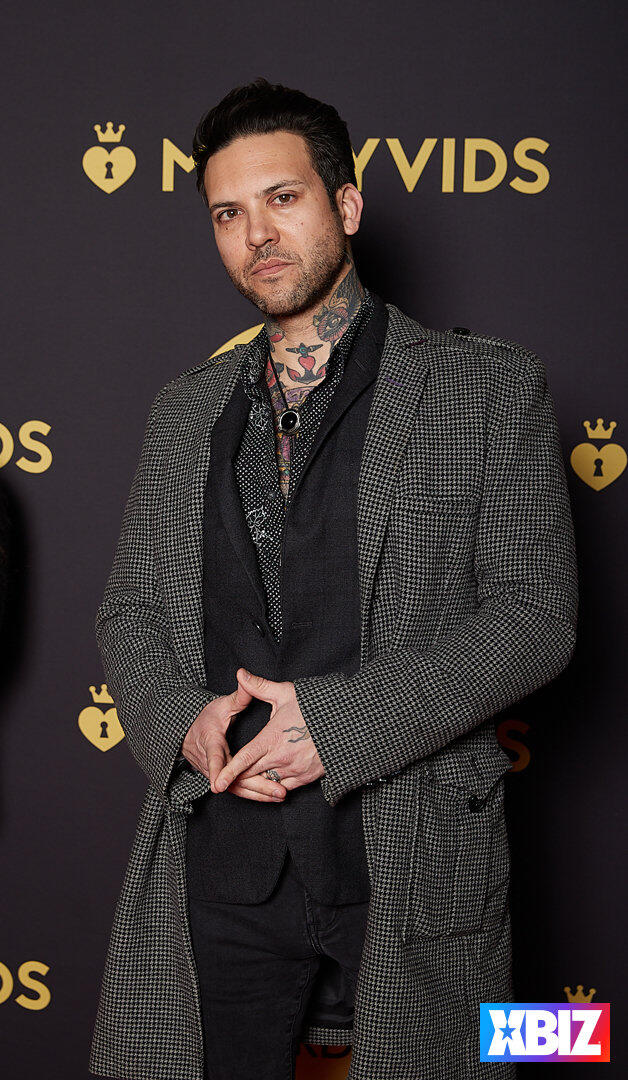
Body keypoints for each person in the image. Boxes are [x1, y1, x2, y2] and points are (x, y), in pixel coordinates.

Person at [88, 78, 578, 1080]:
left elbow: (537, 616)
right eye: (228, 214)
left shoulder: (487, 387)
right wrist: (181, 724)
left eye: (283, 198)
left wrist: (341, 725)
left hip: (407, 851)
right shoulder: (181, 410)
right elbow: (129, 609)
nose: (257, 234)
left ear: (346, 204)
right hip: (219, 853)